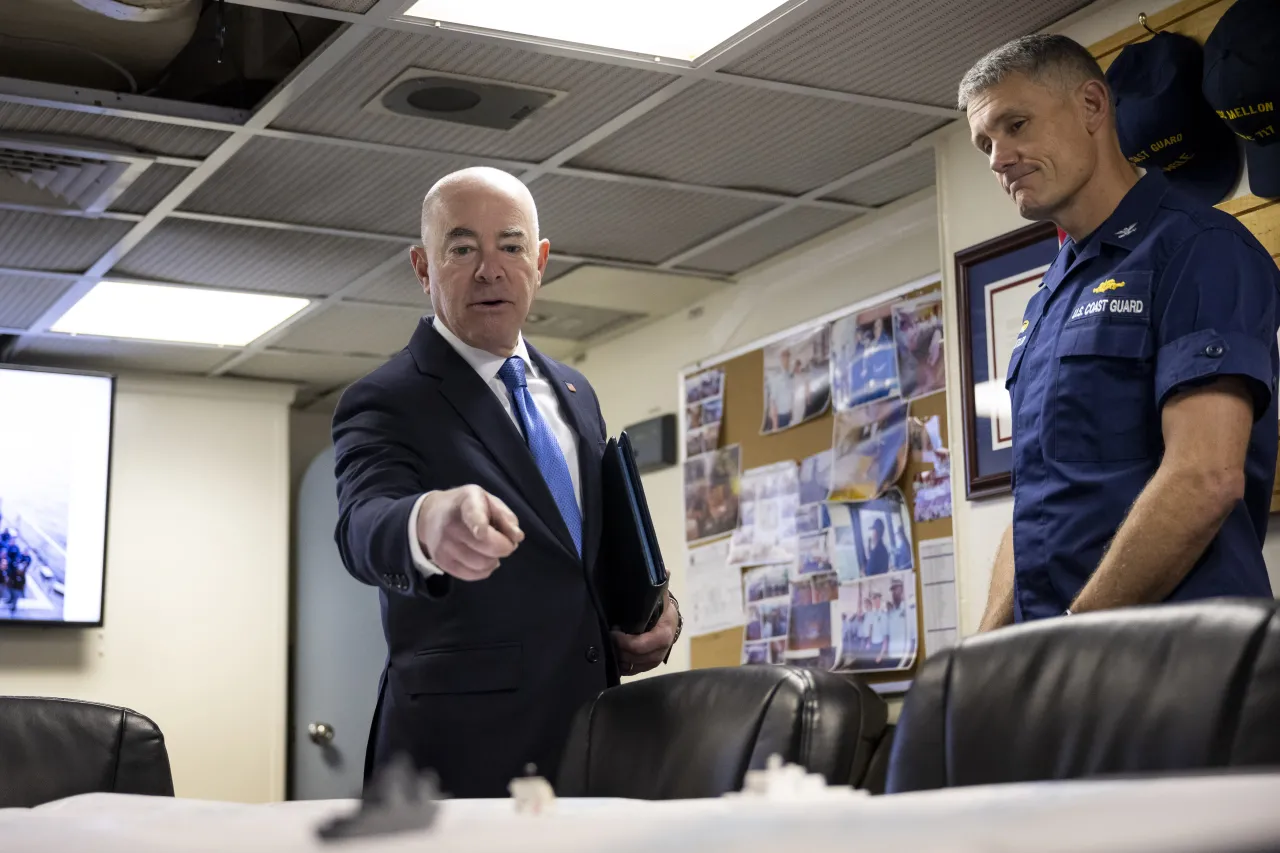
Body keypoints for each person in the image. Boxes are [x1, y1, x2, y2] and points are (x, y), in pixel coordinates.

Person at [331, 167, 682, 798]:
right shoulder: (386, 399)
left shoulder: (576, 394)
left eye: (511, 246)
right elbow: (363, 523)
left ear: (540, 260)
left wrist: (655, 609)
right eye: (462, 249)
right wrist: (426, 522)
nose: (490, 269)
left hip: (592, 746)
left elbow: (583, 559)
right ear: (422, 266)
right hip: (460, 761)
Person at [959, 35, 1280, 630]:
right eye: (986, 143)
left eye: (1017, 124)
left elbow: (1204, 476)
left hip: (1180, 658)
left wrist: (1072, 638)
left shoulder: (1197, 248)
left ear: (1091, 106)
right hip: (1072, 662)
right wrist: (988, 656)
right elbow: (1038, 505)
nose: (998, 158)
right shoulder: (1049, 295)